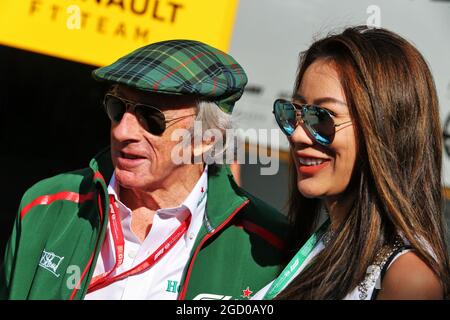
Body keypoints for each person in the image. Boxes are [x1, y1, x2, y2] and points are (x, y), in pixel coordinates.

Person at [0, 40, 289, 300]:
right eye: (117, 108)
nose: (123, 130)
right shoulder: (46, 206)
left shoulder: (267, 248)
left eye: (151, 118)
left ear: (204, 140)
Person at [254, 26, 450, 300]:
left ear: (385, 130)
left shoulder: (409, 278)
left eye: (322, 118)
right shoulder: (321, 242)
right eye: (295, 113)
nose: (298, 134)